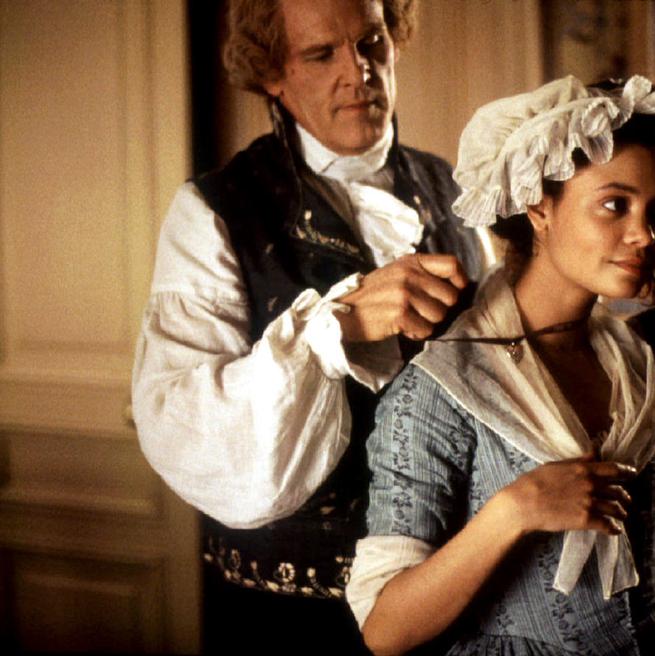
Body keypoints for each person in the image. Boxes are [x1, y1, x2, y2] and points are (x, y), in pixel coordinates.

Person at [346, 75, 655, 655]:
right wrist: (514, 510)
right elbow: (385, 629)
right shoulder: (442, 389)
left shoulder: (639, 351)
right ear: (538, 207)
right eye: (614, 205)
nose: (645, 234)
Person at [131, 0, 484, 652]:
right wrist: (333, 329)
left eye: (371, 42)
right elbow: (179, 417)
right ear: (272, 72)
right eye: (322, 54)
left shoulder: (458, 193)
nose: (359, 72)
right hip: (287, 615)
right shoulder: (216, 210)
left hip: (448, 595)